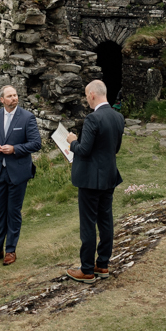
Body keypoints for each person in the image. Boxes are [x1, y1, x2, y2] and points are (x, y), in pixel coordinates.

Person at [65, 79, 125, 283]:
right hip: (109, 176)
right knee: (106, 220)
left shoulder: (93, 119)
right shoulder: (118, 117)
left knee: (88, 224)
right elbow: (114, 148)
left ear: (92, 95)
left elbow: (84, 150)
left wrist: (72, 142)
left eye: (86, 95)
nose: (86, 99)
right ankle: (103, 265)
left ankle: (87, 269)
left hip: (90, 179)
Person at [0, 85, 42, 266]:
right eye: (9, 96)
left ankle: (11, 250)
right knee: (0, 212)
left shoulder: (27, 117)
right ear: (2, 100)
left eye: (15, 95)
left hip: (18, 173)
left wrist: (15, 149)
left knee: (13, 212)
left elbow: (36, 143)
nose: (14, 98)